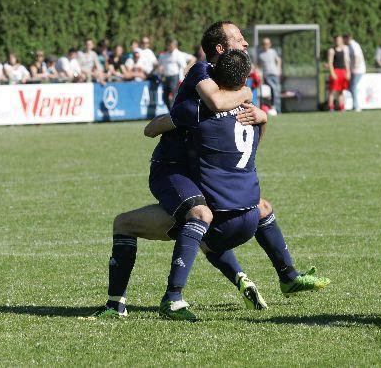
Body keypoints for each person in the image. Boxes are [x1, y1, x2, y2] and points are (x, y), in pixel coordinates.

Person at [94, 21, 329, 320]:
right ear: (220, 49)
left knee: (222, 217)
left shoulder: (230, 91)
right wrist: (248, 97)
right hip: (173, 168)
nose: (245, 44)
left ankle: (271, 277)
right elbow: (215, 103)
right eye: (239, 39)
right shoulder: (201, 71)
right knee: (202, 217)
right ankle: (168, 298)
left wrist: (260, 115)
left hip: (199, 167)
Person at [158, 38, 196, 109]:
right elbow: (159, 65)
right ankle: (171, 111)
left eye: (172, 45)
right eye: (169, 45)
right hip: (166, 77)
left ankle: (175, 111)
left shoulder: (179, 54)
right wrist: (160, 70)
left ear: (175, 46)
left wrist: (187, 68)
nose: (170, 47)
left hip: (174, 76)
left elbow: (191, 60)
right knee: (165, 96)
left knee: (174, 94)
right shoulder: (164, 55)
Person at [256, 37, 283, 115]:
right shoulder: (260, 55)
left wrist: (279, 70)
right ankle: (273, 108)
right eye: (264, 44)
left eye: (267, 43)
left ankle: (277, 109)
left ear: (270, 44)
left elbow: (278, 60)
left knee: (276, 91)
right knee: (273, 90)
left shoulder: (273, 52)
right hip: (266, 75)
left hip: (275, 74)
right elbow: (258, 66)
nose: (266, 45)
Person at [327, 35, 349, 111]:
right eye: (337, 40)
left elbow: (346, 62)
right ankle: (331, 107)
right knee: (332, 91)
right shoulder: (331, 50)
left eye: (340, 40)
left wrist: (348, 72)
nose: (338, 42)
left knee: (341, 91)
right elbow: (330, 63)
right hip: (335, 71)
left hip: (342, 72)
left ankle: (342, 107)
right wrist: (332, 73)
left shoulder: (344, 50)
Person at [344, 33, 366, 112]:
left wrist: (354, 68)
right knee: (351, 87)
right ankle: (354, 105)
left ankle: (356, 106)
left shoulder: (354, 45)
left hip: (358, 70)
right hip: (354, 70)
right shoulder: (349, 46)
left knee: (353, 87)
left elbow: (357, 56)